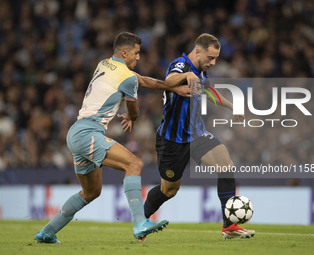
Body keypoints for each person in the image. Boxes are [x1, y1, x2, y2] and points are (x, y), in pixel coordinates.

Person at [34, 32, 190, 243]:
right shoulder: (126, 77)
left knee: (91, 192)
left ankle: (47, 232)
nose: (138, 58)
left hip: (76, 133)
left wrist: (172, 87)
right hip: (88, 132)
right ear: (124, 52)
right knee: (134, 164)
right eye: (136, 53)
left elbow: (143, 81)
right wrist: (132, 117)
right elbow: (134, 108)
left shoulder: (104, 64)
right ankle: (139, 223)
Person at [143, 33, 255, 239]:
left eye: (216, 59)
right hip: (172, 140)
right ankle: (142, 218)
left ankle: (229, 226)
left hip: (196, 134)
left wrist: (233, 107)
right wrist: (188, 76)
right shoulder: (180, 65)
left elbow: (208, 91)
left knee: (226, 165)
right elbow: (169, 81)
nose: (213, 63)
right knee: (168, 190)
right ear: (197, 51)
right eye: (210, 58)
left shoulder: (201, 72)